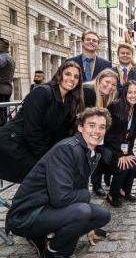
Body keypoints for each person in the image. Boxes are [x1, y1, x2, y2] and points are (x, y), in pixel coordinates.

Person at [5, 107, 112, 258]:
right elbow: (61, 198)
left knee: (102, 215)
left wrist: (87, 225)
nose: (97, 131)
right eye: (92, 125)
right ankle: (54, 252)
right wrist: (85, 195)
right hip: (27, 215)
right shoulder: (68, 149)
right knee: (82, 211)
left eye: (102, 127)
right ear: (80, 127)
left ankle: (49, 238)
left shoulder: (89, 151)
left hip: (49, 207)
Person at [0, 61, 84, 183]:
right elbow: (32, 130)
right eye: (68, 74)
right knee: (41, 177)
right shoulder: (42, 92)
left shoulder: (70, 100)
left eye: (76, 77)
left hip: (32, 145)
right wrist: (47, 157)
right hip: (13, 143)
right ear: (60, 75)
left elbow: (61, 133)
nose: (72, 79)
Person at [104, 81, 136, 207]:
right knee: (122, 165)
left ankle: (124, 192)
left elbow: (132, 135)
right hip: (108, 146)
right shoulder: (115, 106)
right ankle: (112, 195)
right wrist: (121, 155)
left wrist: (128, 152)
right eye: (130, 92)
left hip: (124, 146)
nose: (133, 95)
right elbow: (109, 135)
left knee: (132, 163)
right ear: (124, 93)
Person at [83, 68, 119, 196]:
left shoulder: (107, 97)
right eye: (107, 82)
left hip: (97, 133)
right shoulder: (88, 91)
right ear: (99, 79)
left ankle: (96, 184)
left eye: (113, 85)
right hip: (84, 132)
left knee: (98, 157)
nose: (110, 86)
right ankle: (81, 186)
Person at [0, 37, 16, 126]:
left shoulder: (2, 57)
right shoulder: (9, 57)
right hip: (7, 89)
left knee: (1, 114)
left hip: (1, 89)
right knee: (4, 113)